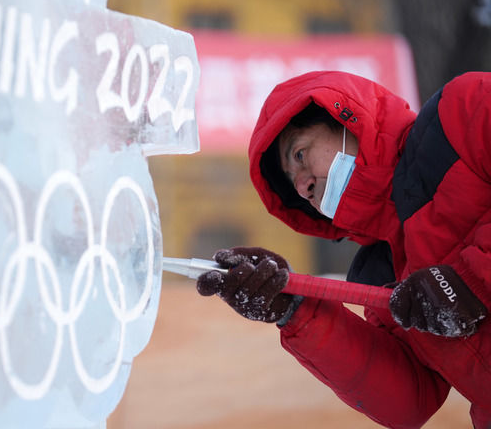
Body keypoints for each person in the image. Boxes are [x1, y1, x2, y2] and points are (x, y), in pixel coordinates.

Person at [196, 71, 491, 428]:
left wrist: (472, 280)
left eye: (300, 154)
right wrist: (295, 309)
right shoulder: (378, 275)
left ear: (344, 117)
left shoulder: (462, 113)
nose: (303, 186)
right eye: (295, 184)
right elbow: (410, 401)